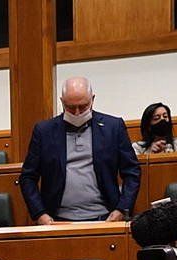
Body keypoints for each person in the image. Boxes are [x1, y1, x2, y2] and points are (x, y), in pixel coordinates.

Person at [19, 77, 140, 224]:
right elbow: (27, 177)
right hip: (57, 220)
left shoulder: (113, 127)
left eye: (83, 106)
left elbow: (132, 171)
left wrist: (122, 209)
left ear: (93, 99)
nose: (77, 113)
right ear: (62, 101)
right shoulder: (44, 131)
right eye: (70, 107)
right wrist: (40, 214)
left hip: (106, 217)